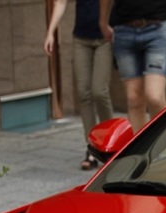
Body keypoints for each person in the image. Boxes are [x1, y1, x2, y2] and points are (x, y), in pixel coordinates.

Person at [99, 0, 166, 131]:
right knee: (134, 99)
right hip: (124, 29)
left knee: (154, 96)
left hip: (158, 29)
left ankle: (164, 145)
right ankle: (139, 149)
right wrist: (103, 21)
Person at [46, 0, 114, 169]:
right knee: (84, 93)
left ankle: (112, 144)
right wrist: (50, 32)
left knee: (100, 91)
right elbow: (61, 3)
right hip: (81, 39)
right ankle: (92, 149)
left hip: (104, 39)